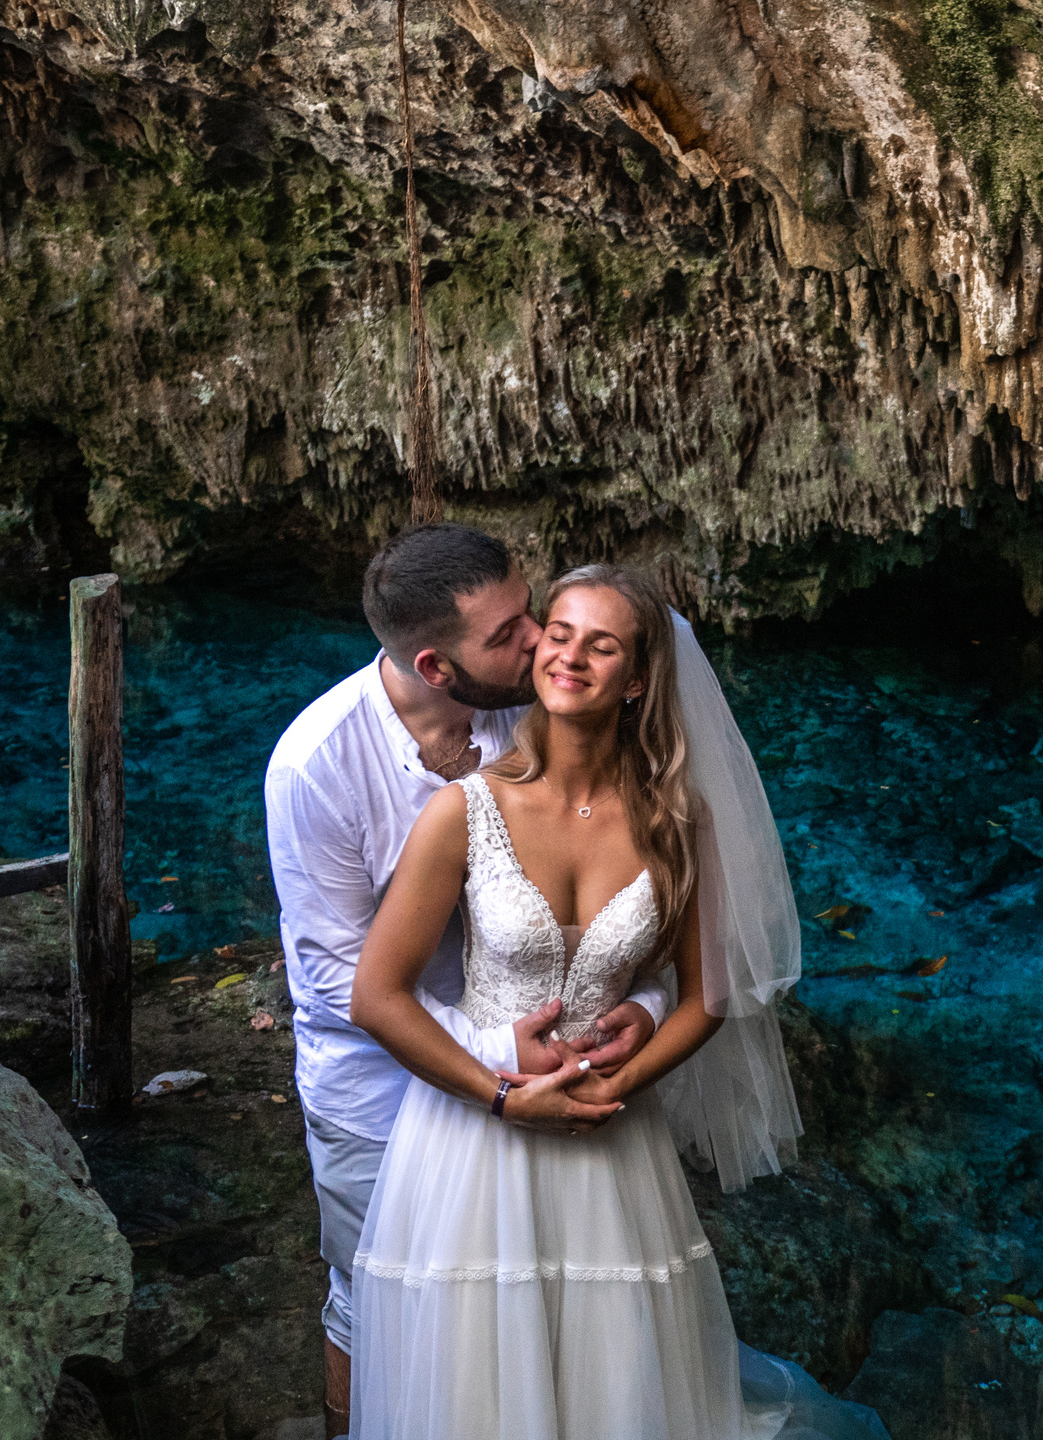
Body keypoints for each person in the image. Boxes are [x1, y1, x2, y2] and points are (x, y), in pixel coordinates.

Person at [346, 564, 810, 1439]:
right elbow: (377, 996)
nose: (569, 655)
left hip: (610, 1136)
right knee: (476, 1386)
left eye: (602, 645)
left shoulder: (677, 822)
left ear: (637, 679)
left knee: (613, 1385)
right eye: (558, 632)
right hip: (475, 1137)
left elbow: (708, 996)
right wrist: (504, 1094)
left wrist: (624, 1078)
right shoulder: (463, 812)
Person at [265, 526, 669, 1438]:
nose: (538, 641)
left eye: (529, 611)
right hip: (375, 1083)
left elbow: (627, 896)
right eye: (508, 634)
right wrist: (497, 1056)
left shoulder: (533, 711)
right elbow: (336, 981)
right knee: (374, 1291)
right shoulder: (316, 765)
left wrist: (639, 1004)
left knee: (537, 1293)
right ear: (435, 667)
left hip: (540, 1059)